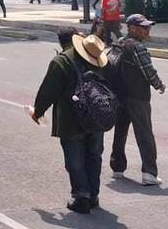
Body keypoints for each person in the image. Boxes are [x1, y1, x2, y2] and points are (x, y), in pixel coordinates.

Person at [31, 33, 112, 214]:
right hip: (98, 117)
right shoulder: (100, 60)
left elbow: (48, 90)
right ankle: (93, 195)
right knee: (94, 155)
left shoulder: (62, 61)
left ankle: (82, 196)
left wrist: (38, 112)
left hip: (71, 118)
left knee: (75, 158)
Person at [108, 14, 166, 186]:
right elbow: (148, 70)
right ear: (132, 28)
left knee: (120, 132)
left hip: (119, 94)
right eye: (144, 27)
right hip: (137, 96)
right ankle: (149, 172)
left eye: (148, 27)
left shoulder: (118, 43)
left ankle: (117, 167)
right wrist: (159, 85)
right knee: (144, 134)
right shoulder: (137, 47)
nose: (147, 30)